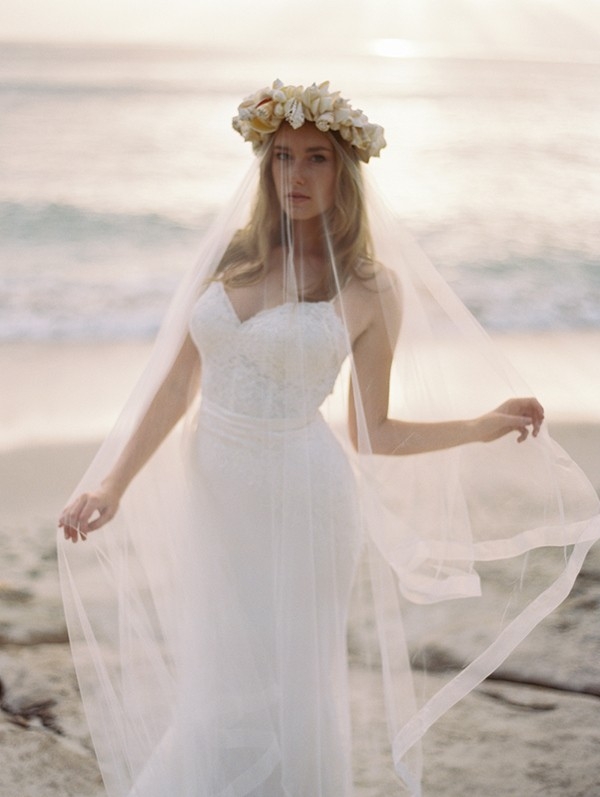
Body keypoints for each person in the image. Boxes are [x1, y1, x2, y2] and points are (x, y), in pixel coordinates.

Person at [58, 81, 600, 797]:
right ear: (264, 165)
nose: (297, 176)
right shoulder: (232, 256)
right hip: (215, 490)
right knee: (218, 677)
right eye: (283, 157)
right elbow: (176, 385)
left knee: (289, 685)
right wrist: (111, 484)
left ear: (346, 171)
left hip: (304, 501)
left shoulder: (372, 287)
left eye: (317, 159)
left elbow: (371, 433)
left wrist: (481, 424)